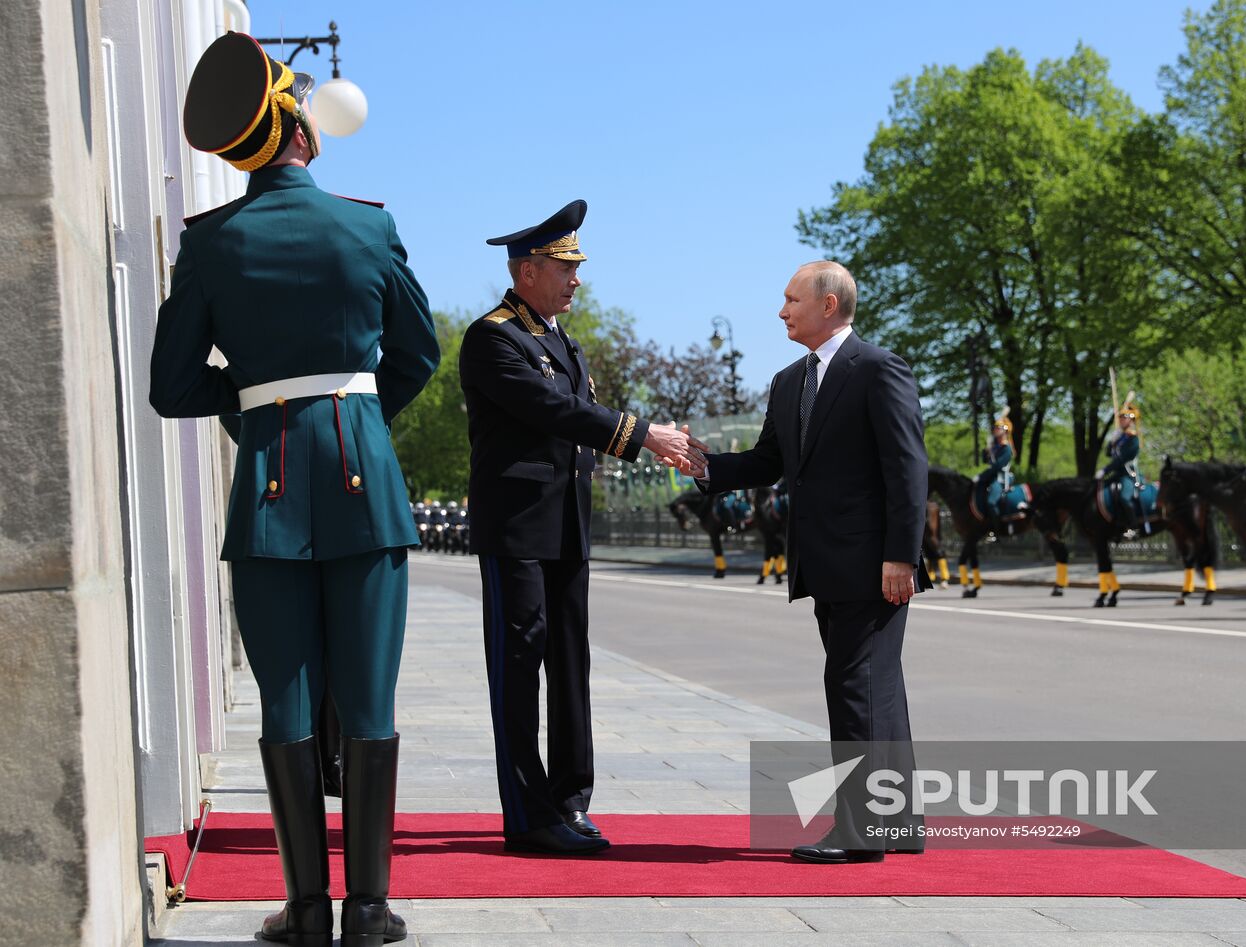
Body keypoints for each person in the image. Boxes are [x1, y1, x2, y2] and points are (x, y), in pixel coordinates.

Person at [148, 33, 437, 947]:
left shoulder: (210, 242)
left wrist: (263, 410)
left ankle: (307, 909)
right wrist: (350, 416)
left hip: (268, 485)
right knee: (372, 700)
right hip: (366, 477)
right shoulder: (368, 224)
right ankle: (372, 908)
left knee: (286, 698)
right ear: (296, 125)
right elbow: (419, 354)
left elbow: (170, 385)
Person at [458, 200, 696, 855]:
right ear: (527, 269)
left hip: (566, 527)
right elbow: (553, 410)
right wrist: (642, 434)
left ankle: (569, 799)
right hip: (516, 532)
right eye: (566, 266)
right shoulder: (493, 337)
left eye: (577, 266)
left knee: (570, 663)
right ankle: (529, 814)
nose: (577, 279)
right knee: (518, 664)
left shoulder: (564, 342)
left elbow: (572, 413)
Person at [687, 261, 930, 864]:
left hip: (875, 567)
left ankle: (861, 830)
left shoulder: (878, 368)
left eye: (791, 299)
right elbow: (768, 461)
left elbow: (908, 468)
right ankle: (896, 824)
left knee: (854, 690)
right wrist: (703, 465)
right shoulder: (789, 380)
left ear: (828, 304)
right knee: (878, 690)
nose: (781, 310)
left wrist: (901, 555)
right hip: (823, 566)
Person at [1096, 397, 1143, 529]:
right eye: (1120, 417)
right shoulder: (1120, 437)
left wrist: (1105, 470)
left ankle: (1134, 527)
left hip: (1128, 475)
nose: (1121, 420)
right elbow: (1109, 454)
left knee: (1124, 498)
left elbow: (1121, 460)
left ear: (1131, 420)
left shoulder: (1133, 440)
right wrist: (1112, 441)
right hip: (1116, 474)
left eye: (1124, 417)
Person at [976, 411, 1015, 520]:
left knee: (991, 502)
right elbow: (985, 461)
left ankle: (998, 527)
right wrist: (986, 450)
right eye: (995, 428)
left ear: (1005, 431)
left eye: (999, 428)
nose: (995, 430)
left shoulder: (1006, 449)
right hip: (992, 476)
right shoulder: (995, 447)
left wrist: (981, 476)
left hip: (1001, 478)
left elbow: (997, 467)